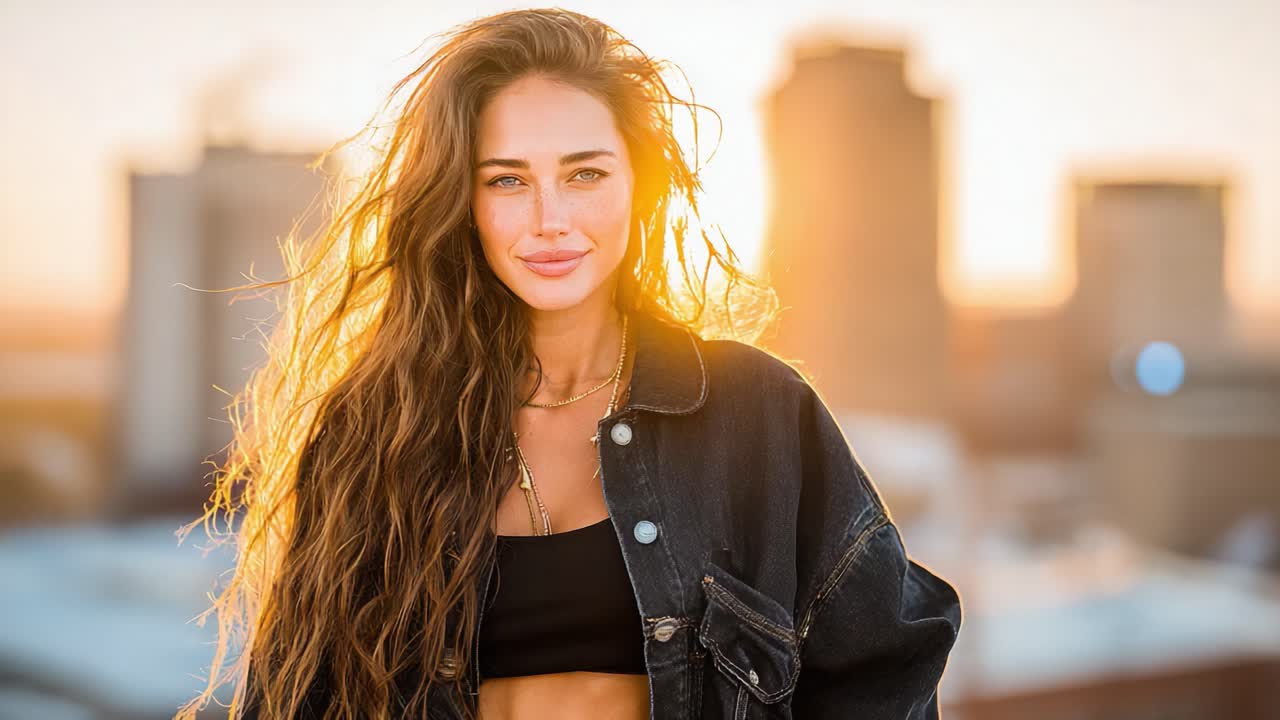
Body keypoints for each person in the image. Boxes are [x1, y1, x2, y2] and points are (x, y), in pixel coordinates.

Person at [175, 8, 961, 720]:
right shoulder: (375, 430)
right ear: (463, 202)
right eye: (508, 181)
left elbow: (886, 670)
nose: (551, 221)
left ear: (640, 187)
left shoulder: (757, 414)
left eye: (585, 173)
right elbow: (294, 698)